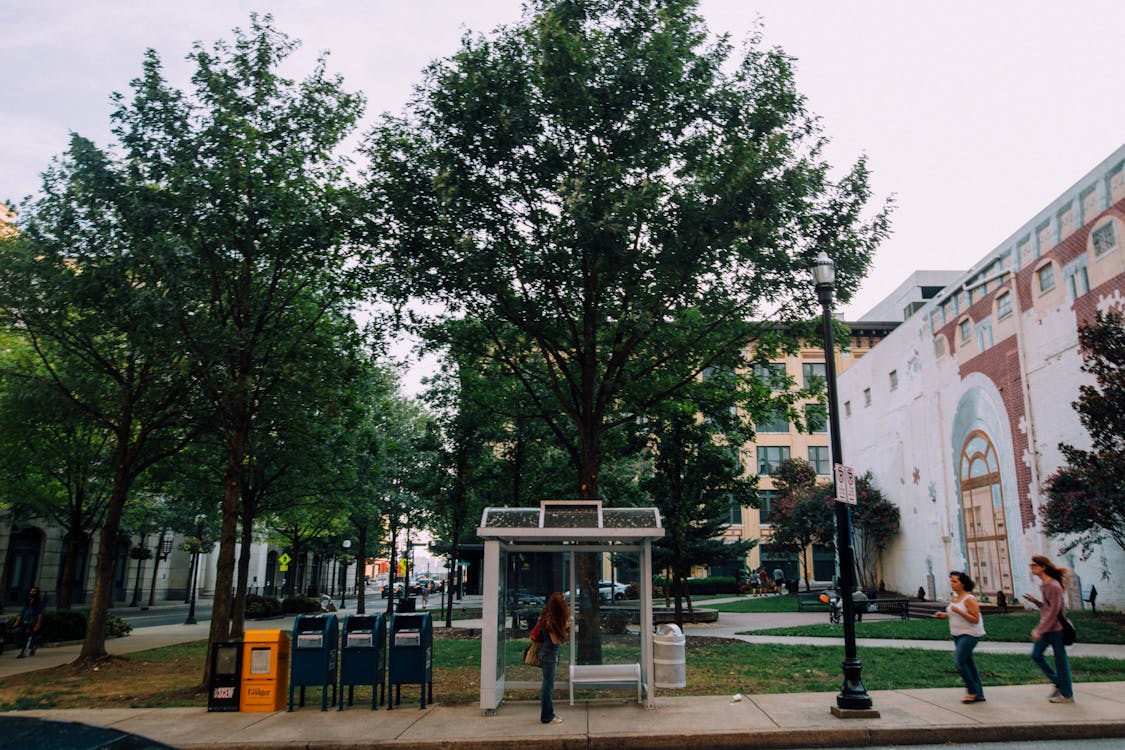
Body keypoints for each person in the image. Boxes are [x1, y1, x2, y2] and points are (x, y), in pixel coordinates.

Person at [1023, 555, 1074, 703]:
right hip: (1047, 627)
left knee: (1060, 661)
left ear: (1043, 567)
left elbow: (1055, 611)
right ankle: (1058, 682)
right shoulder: (1045, 585)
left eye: (1034, 565)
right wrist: (1036, 602)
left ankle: (1067, 695)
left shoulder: (1053, 585)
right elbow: (1048, 607)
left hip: (1056, 629)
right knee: (1036, 655)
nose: (1031, 568)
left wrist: (1039, 630)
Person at [934, 571, 986, 703]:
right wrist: (944, 615)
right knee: (969, 663)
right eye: (951, 581)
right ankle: (979, 693)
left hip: (969, 634)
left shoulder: (969, 599)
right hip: (957, 634)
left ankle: (971, 691)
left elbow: (975, 619)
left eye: (955, 581)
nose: (952, 584)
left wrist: (960, 611)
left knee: (959, 660)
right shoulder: (955, 598)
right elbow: (953, 613)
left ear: (963, 583)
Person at [537, 591, 570, 725]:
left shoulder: (546, 615)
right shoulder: (551, 620)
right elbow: (555, 640)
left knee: (547, 685)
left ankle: (548, 714)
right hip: (549, 655)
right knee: (548, 686)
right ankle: (547, 716)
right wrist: (564, 628)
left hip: (546, 653)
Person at [15, 585, 44, 659]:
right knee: (24, 636)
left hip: (32, 622)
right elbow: (22, 611)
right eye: (31, 591)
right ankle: (33, 647)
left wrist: (38, 624)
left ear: (37, 593)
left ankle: (23, 653)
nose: (32, 592)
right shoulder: (27, 602)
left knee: (28, 637)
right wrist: (17, 621)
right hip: (24, 621)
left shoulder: (39, 603)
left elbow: (40, 614)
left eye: (34, 591)